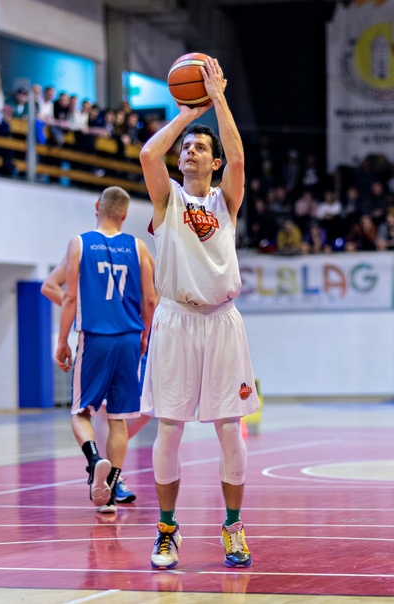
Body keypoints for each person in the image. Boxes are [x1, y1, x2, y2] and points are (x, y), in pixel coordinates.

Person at [138, 55, 259, 570]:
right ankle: (167, 529)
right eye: (186, 147)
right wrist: (188, 112)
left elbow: (238, 156)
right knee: (169, 430)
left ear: (212, 163)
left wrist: (219, 100)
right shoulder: (165, 200)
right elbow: (148, 153)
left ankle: (233, 526)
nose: (190, 150)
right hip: (175, 320)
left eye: (200, 147)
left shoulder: (224, 203)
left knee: (229, 429)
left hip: (221, 322)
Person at [54, 187, 156, 514]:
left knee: (80, 413)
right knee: (119, 419)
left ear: (97, 206)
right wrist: (144, 334)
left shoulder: (80, 242)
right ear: (125, 214)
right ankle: (110, 490)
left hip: (95, 336)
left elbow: (69, 297)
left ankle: (94, 459)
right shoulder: (138, 247)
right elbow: (151, 299)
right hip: (129, 336)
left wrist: (62, 340)